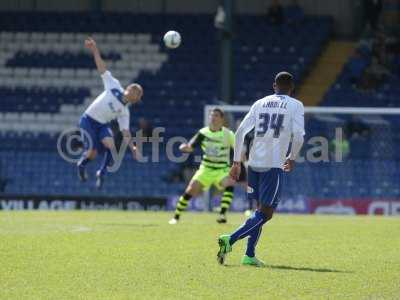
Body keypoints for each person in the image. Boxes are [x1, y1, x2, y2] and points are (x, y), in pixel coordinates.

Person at [217, 72, 305, 267]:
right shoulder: (295, 105)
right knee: (266, 213)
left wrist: (236, 162)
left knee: (258, 212)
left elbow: (240, 132)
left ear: (274, 85)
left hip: (254, 163)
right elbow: (298, 136)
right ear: (292, 87)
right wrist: (292, 158)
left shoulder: (260, 102)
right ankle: (229, 240)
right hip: (273, 165)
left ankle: (249, 255)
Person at [77, 37, 143, 189]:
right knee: (92, 153)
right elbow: (102, 68)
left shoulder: (124, 112)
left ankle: (102, 173)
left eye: (138, 95)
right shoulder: (114, 86)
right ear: (128, 89)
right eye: (136, 91)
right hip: (88, 120)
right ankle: (81, 165)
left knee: (111, 146)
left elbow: (125, 132)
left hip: (101, 125)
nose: (136, 95)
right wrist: (95, 50)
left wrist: (133, 147)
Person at [168, 108, 236, 224]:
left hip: (222, 169)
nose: (213, 118)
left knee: (229, 183)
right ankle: (176, 216)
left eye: (215, 116)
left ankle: (222, 215)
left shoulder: (228, 134)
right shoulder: (203, 133)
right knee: (190, 190)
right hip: (206, 169)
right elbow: (191, 146)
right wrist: (185, 148)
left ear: (221, 119)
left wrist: (241, 160)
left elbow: (238, 149)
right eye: (211, 116)